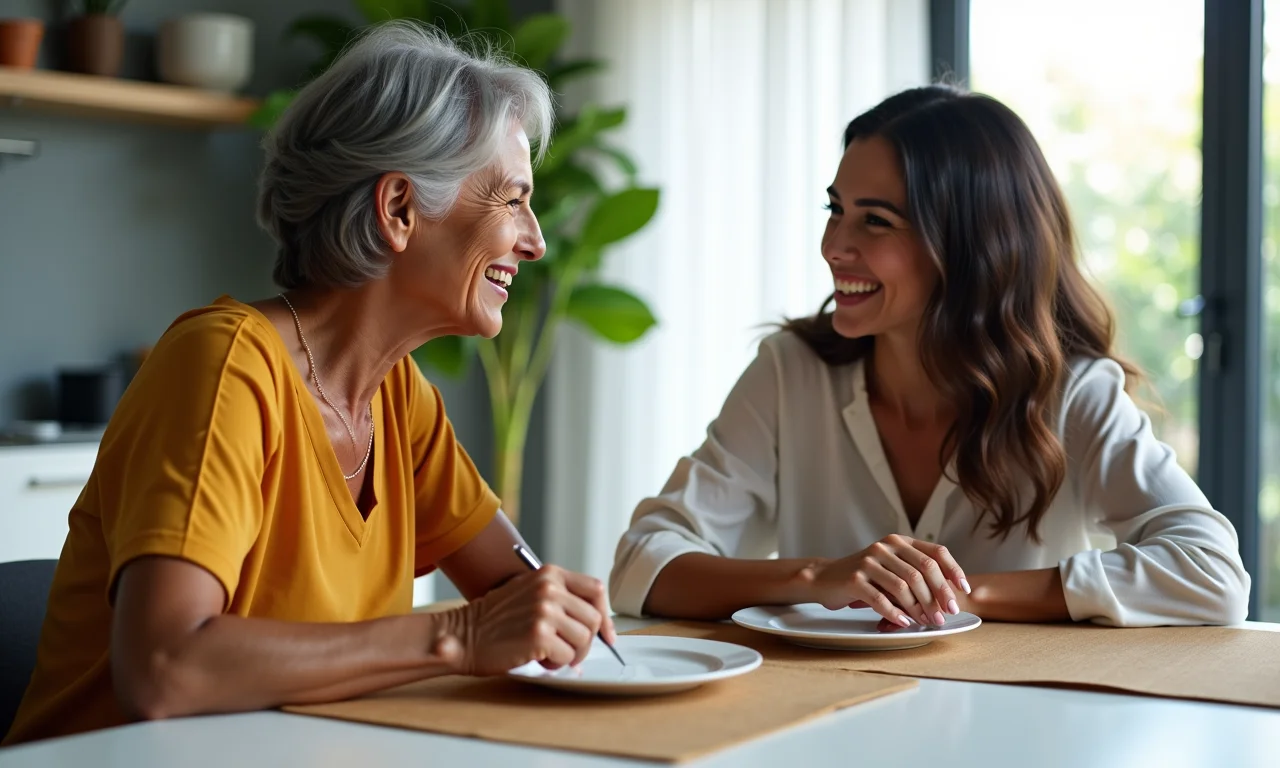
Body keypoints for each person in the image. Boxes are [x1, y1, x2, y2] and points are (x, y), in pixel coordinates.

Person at [3, 22, 615, 746]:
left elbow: (513, 595)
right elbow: (166, 669)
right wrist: (457, 637)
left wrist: (547, 611)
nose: (536, 239)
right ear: (398, 210)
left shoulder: (399, 397)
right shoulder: (225, 366)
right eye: (512, 200)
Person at [609, 85, 1250, 630]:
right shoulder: (789, 372)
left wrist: (962, 592)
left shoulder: (1073, 393)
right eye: (836, 210)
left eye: (875, 221)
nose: (835, 245)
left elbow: (1212, 573)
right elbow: (643, 564)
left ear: (972, 246)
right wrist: (818, 577)